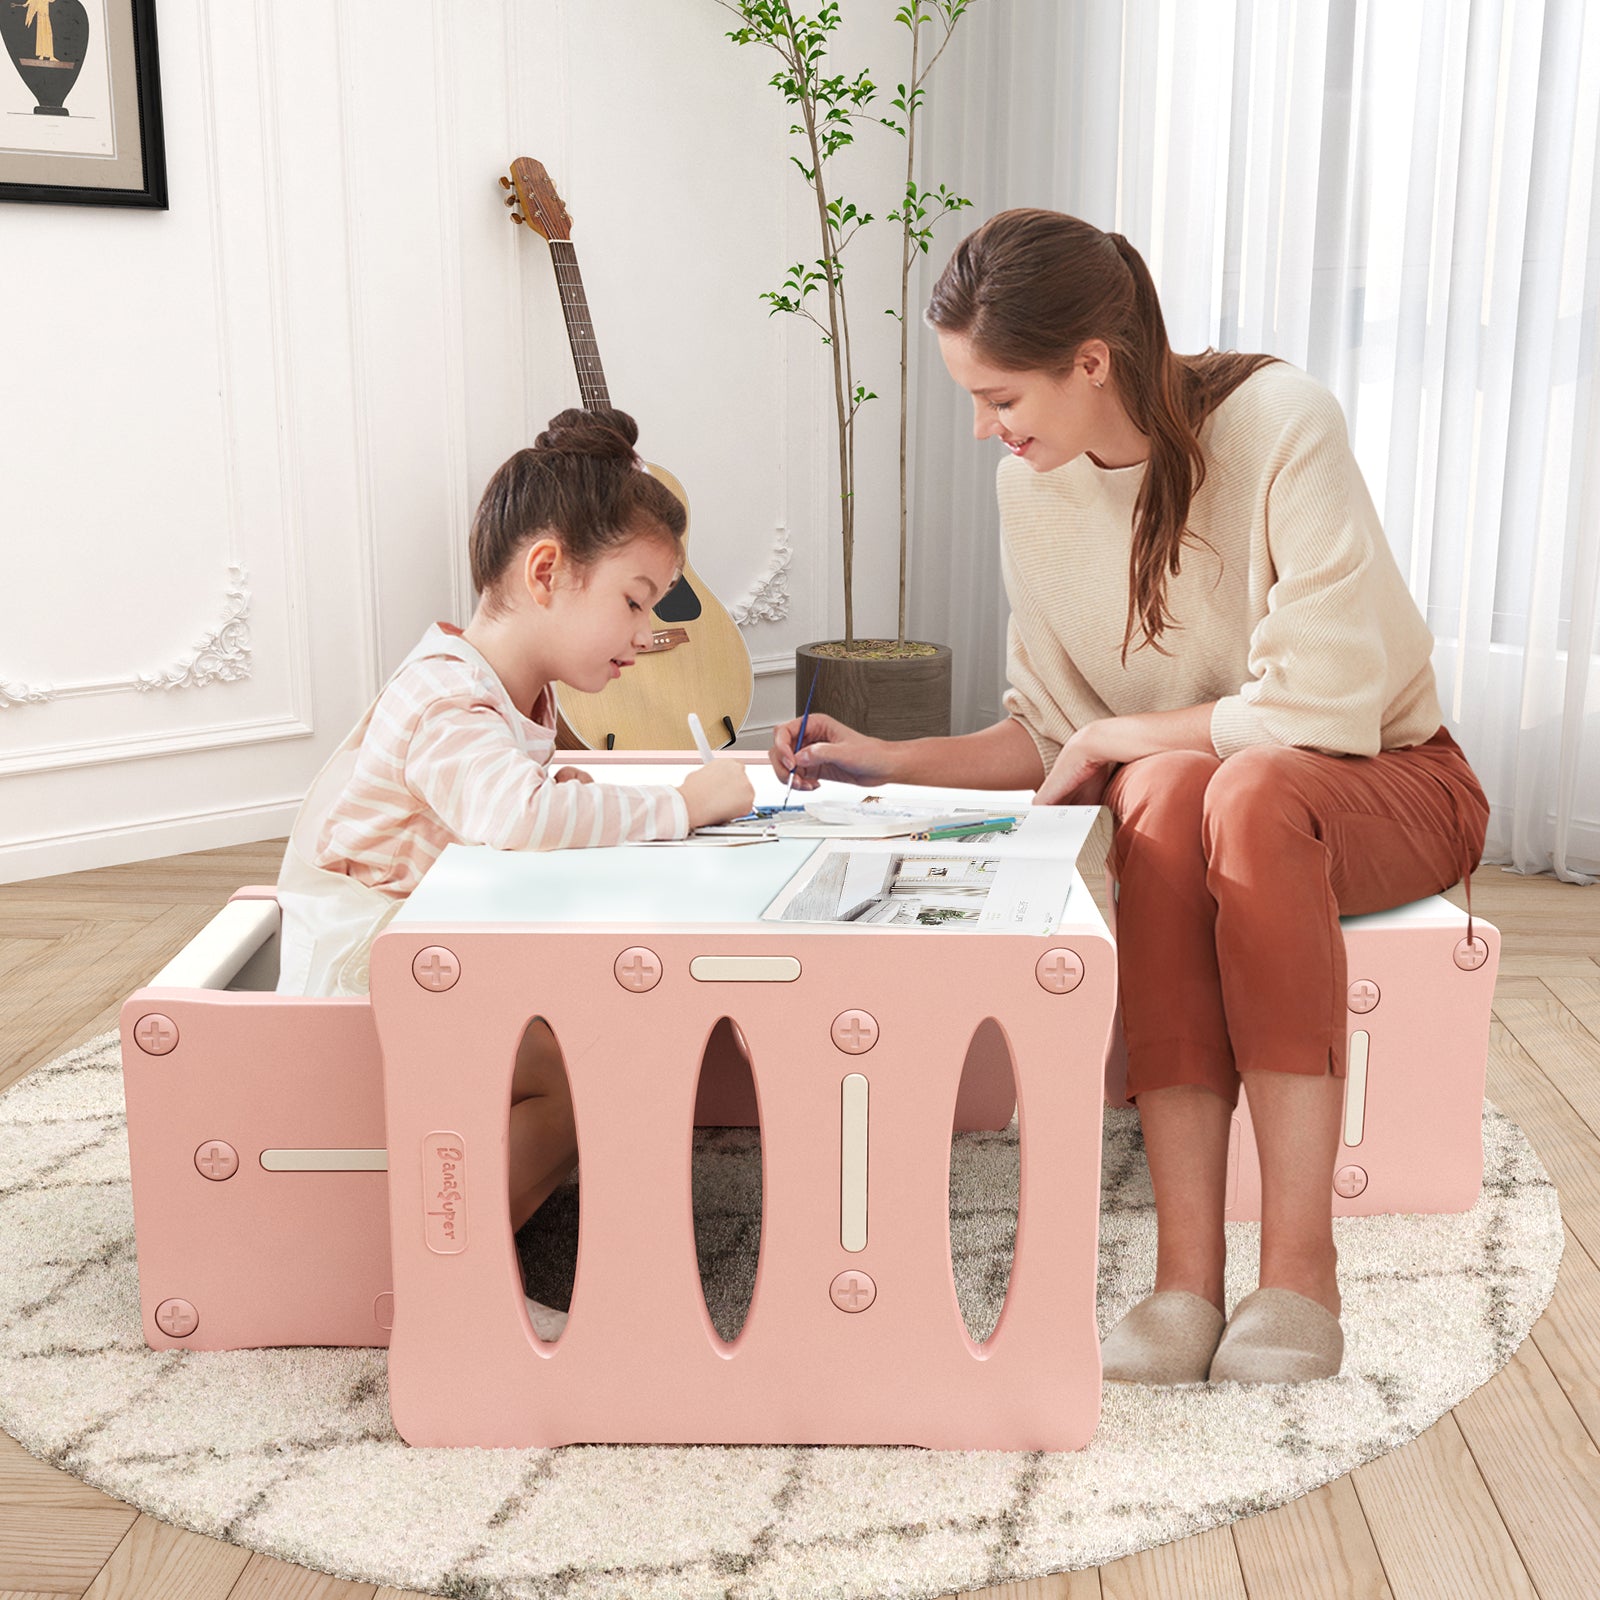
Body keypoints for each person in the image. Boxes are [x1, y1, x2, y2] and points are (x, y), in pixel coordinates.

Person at [768, 209, 1488, 1385]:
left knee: (1236, 790)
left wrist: (1120, 733)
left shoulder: (1278, 424)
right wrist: (885, 759)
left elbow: (1325, 704)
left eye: (1001, 398)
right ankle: (1184, 1279)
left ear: (1090, 362)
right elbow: (1054, 732)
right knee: (1159, 793)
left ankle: (1301, 1272)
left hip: (1390, 779)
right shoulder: (1032, 497)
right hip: (1214, 795)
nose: (986, 429)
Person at [277, 407, 754, 1338]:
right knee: (583, 1065)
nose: (645, 628)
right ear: (546, 573)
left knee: (601, 1025)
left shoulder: (498, 690)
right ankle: (454, 1278)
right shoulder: (448, 693)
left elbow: (505, 805)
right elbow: (515, 818)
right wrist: (680, 805)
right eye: (632, 599)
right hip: (365, 964)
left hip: (424, 947)